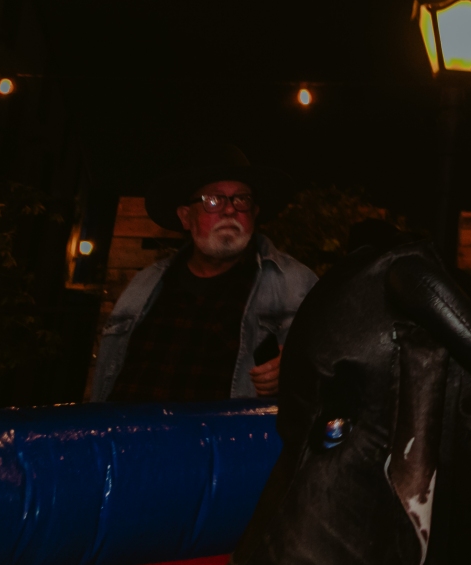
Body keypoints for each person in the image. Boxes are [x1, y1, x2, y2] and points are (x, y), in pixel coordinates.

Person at [91, 143, 316, 403]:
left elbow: (334, 373)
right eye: (213, 200)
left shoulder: (296, 285)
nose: (230, 209)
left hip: (229, 431)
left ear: (254, 213)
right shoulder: (144, 284)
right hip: (127, 429)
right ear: (186, 217)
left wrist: (299, 369)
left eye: (242, 199)